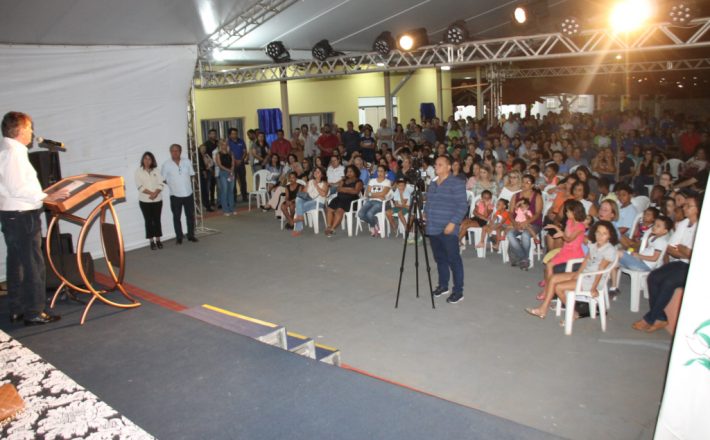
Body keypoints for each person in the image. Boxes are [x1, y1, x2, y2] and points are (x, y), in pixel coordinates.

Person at [0, 111, 69, 325]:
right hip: (22, 216)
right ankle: (34, 312)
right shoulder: (14, 153)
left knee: (17, 263)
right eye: (30, 128)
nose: (32, 132)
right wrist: (45, 195)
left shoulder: (7, 150)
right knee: (33, 264)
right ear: (19, 129)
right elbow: (18, 186)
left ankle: (17, 308)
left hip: (13, 215)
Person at [525, 220, 619, 321]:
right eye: (598, 232)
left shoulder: (609, 250)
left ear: (610, 235)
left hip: (593, 280)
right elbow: (586, 260)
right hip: (584, 274)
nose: (600, 236)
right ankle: (543, 309)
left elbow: (601, 270)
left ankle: (573, 312)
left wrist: (593, 287)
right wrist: (577, 274)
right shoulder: (594, 245)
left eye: (604, 234)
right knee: (553, 279)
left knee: (558, 287)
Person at [632, 194, 700, 332]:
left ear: (698, 209)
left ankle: (649, 319)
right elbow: (671, 248)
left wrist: (684, 250)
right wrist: (684, 251)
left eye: (688, 205)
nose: (684, 208)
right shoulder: (683, 224)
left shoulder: (703, 226)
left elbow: (695, 255)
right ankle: (661, 317)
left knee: (668, 282)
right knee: (653, 277)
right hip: (681, 262)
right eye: (684, 205)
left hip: (695, 267)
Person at [424, 155, 468, 304]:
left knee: (453, 259)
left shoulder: (456, 183)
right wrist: (426, 213)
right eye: (436, 164)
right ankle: (443, 285)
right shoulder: (433, 183)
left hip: (448, 227)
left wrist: (453, 223)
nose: (436, 167)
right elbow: (429, 201)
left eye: (440, 164)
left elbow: (462, 205)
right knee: (440, 258)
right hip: (433, 226)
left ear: (449, 167)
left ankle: (458, 291)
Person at [161, 144, 198, 244]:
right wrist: (173, 184)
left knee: (190, 216)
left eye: (177, 150)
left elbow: (191, 174)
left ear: (180, 151)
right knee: (176, 217)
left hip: (188, 194)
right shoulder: (166, 164)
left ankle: (191, 235)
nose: (175, 152)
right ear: (170, 152)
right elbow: (163, 179)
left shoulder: (187, 161)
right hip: (175, 195)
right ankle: (179, 237)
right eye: (172, 151)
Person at [135, 151, 165, 249]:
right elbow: (140, 187)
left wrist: (156, 193)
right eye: (145, 158)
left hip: (157, 200)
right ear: (142, 160)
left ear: (152, 160)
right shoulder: (138, 171)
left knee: (157, 220)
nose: (147, 161)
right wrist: (151, 194)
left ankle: (158, 240)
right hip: (145, 201)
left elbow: (161, 183)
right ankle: (151, 241)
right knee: (148, 221)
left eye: (149, 159)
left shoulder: (156, 170)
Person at [325, 165, 363, 237]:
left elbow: (355, 191)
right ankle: (329, 226)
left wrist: (344, 189)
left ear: (355, 172)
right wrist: (349, 189)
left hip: (351, 200)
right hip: (339, 198)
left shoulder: (359, 181)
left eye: (351, 171)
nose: (349, 173)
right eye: (347, 171)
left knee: (339, 210)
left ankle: (332, 229)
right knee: (329, 209)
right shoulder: (343, 180)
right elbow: (339, 189)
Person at [291, 166, 329, 237]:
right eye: (315, 171)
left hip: (318, 202)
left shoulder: (324, 183)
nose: (316, 173)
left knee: (300, 207)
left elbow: (323, 194)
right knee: (298, 199)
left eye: (318, 172)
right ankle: (300, 217)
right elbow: (304, 192)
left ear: (322, 174)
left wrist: (316, 185)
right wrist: (305, 188)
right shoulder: (310, 181)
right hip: (308, 199)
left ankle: (299, 227)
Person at [358, 164, 391, 237]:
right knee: (360, 214)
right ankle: (374, 222)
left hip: (381, 203)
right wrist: (377, 195)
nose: (379, 173)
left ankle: (372, 226)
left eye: (381, 171)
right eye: (378, 171)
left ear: (385, 172)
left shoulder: (387, 182)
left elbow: (383, 194)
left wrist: (371, 194)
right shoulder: (372, 180)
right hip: (370, 201)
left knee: (369, 214)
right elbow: (367, 193)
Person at [227, 128, 248, 202]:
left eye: (236, 133)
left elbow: (245, 152)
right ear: (229, 135)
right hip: (232, 165)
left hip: (241, 163)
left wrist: (241, 160)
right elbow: (228, 152)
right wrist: (234, 160)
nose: (234, 135)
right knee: (233, 181)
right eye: (233, 134)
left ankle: (244, 196)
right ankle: (234, 198)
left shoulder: (241, 141)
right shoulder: (228, 142)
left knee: (243, 181)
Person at [216, 139, 236, 216]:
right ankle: (225, 210)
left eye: (225, 144)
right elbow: (219, 165)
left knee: (231, 190)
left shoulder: (231, 153)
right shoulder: (218, 154)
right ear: (220, 145)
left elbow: (233, 163)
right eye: (223, 144)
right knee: (224, 190)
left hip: (231, 173)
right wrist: (228, 170)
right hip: (223, 173)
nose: (224, 146)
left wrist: (232, 170)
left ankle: (232, 208)